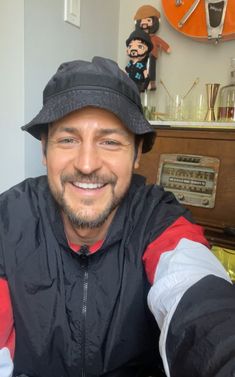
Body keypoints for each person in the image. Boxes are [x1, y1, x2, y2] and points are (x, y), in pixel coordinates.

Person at [0, 56, 234, 377]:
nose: (86, 164)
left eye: (110, 142)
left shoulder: (158, 218)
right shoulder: (8, 221)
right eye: (68, 140)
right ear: (44, 151)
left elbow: (201, 302)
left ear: (137, 154)